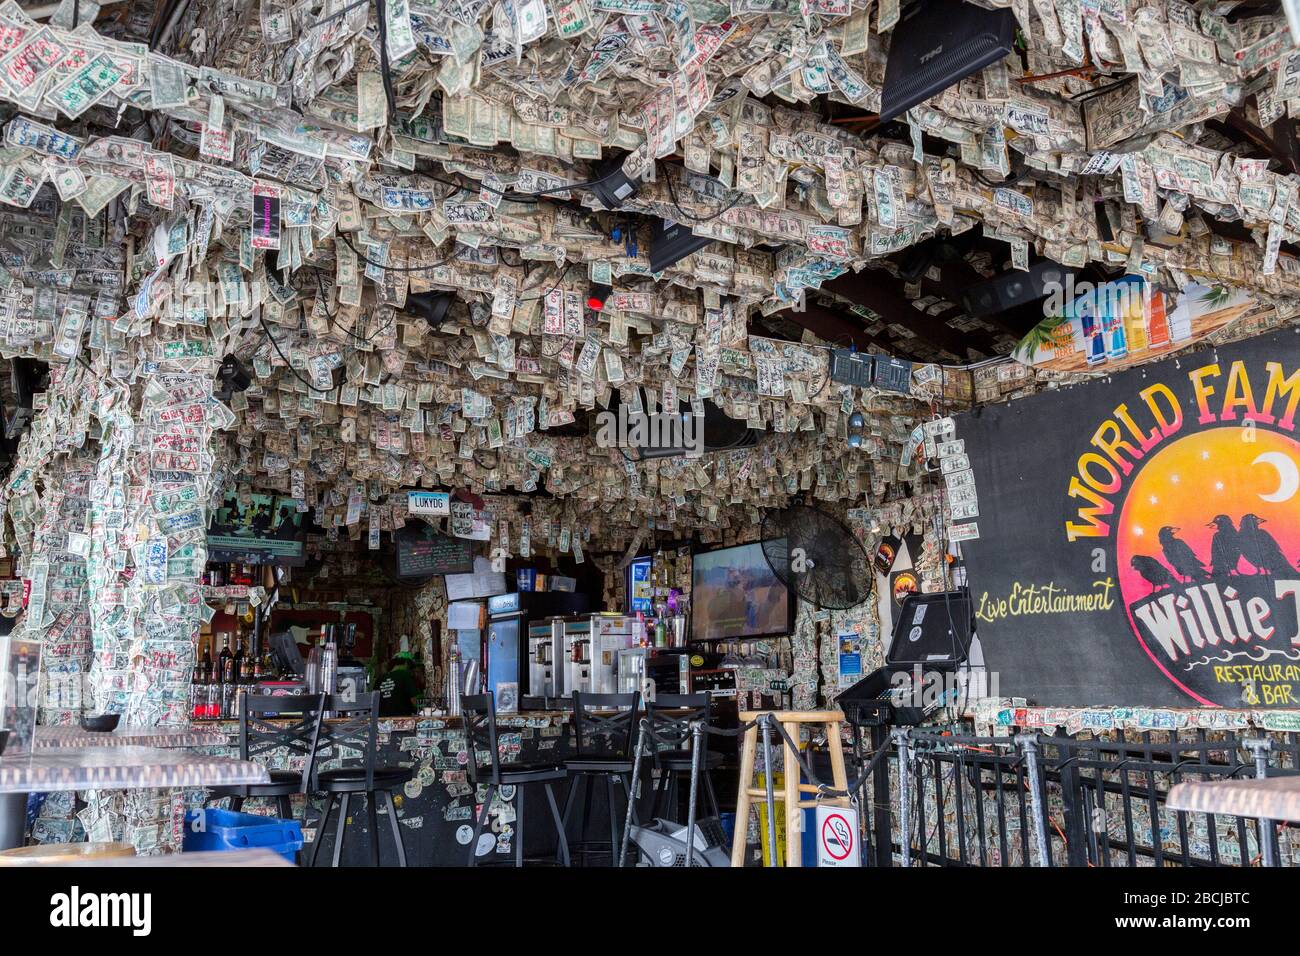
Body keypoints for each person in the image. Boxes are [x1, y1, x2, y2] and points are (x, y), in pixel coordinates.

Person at [378, 651, 420, 716]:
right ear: (406, 663)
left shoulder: (380, 678)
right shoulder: (404, 675)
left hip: (382, 720)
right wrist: (421, 712)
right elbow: (413, 699)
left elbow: (374, 700)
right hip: (401, 719)